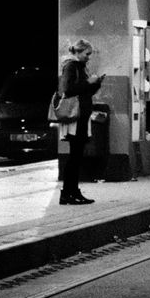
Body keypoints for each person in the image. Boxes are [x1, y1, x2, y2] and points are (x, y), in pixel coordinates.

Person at [57, 39, 105, 205]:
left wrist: (96, 84)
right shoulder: (71, 66)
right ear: (78, 52)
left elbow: (85, 91)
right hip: (75, 117)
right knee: (74, 156)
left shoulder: (80, 67)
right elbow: (68, 90)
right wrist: (88, 83)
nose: (89, 57)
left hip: (82, 115)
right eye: (87, 54)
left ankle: (72, 192)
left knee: (76, 156)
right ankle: (68, 193)